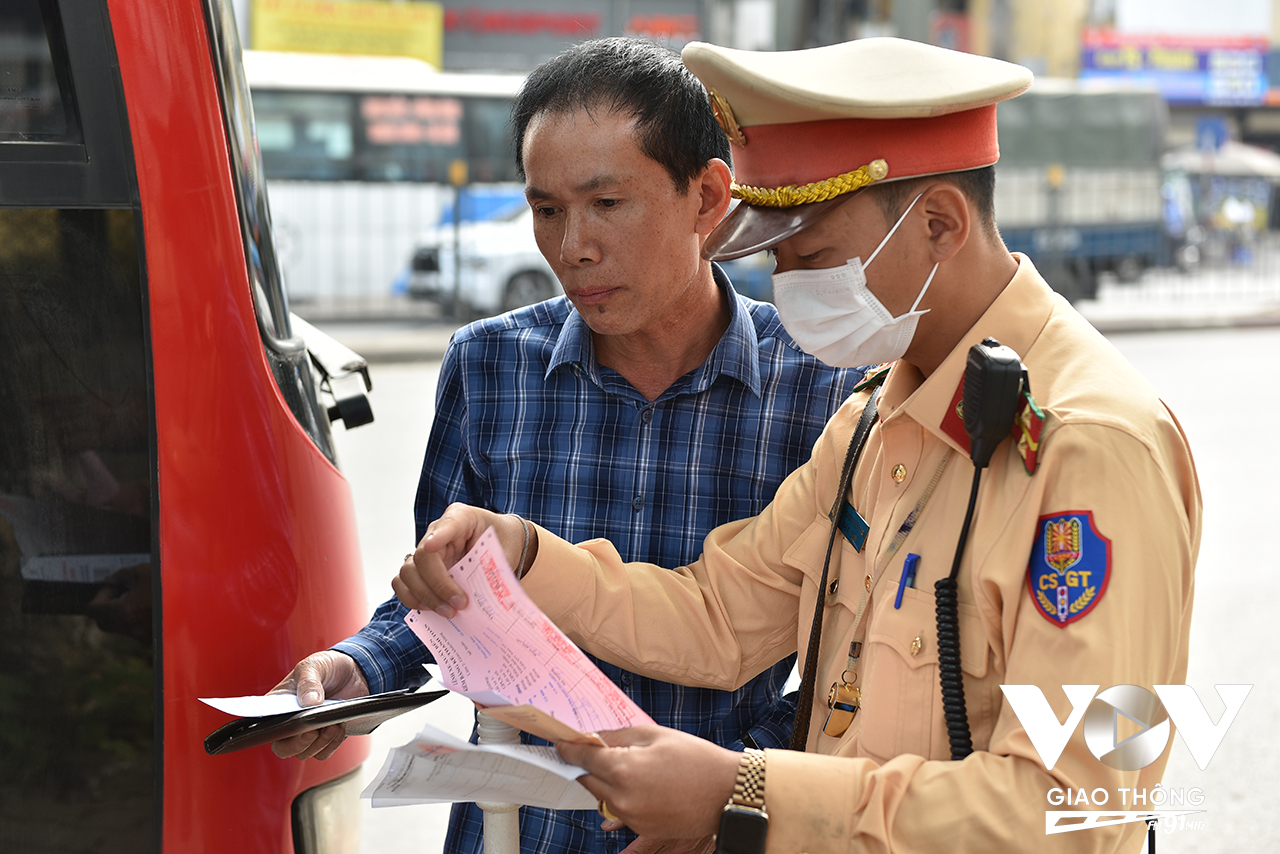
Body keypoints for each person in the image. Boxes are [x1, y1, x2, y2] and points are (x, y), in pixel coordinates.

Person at [396, 37, 1201, 854]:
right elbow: (720, 614)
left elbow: (1077, 809)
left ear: (939, 224)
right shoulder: (876, 417)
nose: (787, 288)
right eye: (777, 257)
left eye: (810, 256)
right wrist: (528, 554)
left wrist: (745, 794)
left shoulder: (1093, 447)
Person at [270, 37, 865, 854]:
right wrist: (358, 670)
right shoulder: (490, 367)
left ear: (709, 197)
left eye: (607, 204)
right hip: (517, 834)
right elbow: (444, 598)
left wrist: (733, 793)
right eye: (547, 210)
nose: (571, 248)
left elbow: (843, 675)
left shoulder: (823, 391)